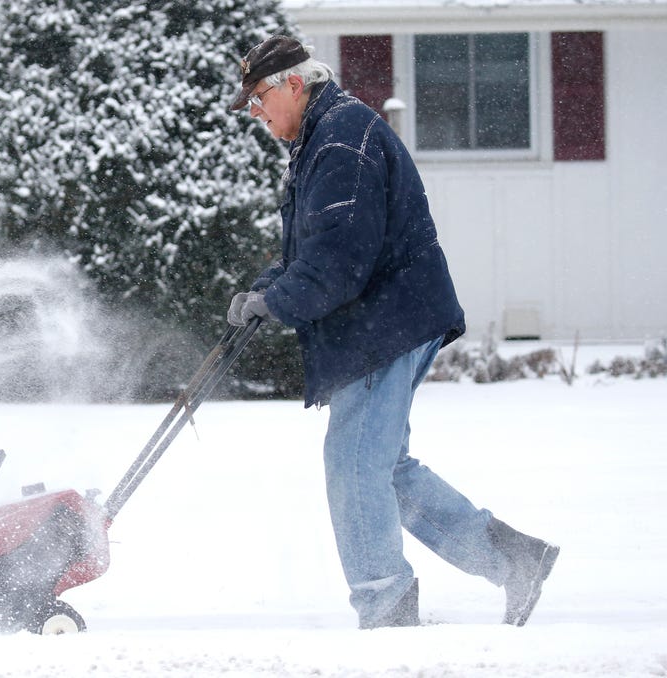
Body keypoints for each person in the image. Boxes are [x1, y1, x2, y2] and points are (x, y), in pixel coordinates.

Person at [224, 35, 560, 629]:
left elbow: (340, 261)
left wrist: (276, 303)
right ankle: (513, 559)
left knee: (354, 466)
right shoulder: (325, 137)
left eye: (257, 100)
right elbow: (316, 249)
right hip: (388, 317)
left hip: (383, 322)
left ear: (293, 85)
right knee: (382, 469)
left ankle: (387, 604)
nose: (255, 114)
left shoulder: (339, 140)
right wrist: (265, 289)